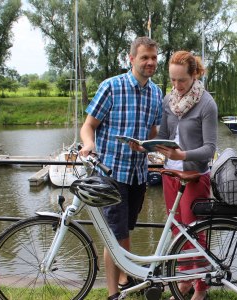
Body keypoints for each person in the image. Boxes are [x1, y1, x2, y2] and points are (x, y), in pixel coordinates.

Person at [79, 36, 163, 300]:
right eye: (144, 58)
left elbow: (152, 133)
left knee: (125, 229)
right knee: (114, 235)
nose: (150, 62)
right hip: (111, 172)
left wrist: (149, 147)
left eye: (153, 58)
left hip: (139, 174)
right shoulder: (111, 87)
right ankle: (113, 293)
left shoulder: (156, 92)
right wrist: (88, 144)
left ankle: (126, 277)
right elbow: (88, 125)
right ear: (131, 59)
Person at [154, 50, 218, 300]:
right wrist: (153, 146)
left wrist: (183, 155)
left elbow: (210, 149)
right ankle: (183, 280)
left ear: (194, 75)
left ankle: (201, 288)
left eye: (181, 80)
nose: (176, 86)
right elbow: (166, 135)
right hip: (170, 174)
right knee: (177, 232)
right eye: (172, 80)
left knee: (195, 232)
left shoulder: (206, 104)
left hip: (194, 176)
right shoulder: (168, 101)